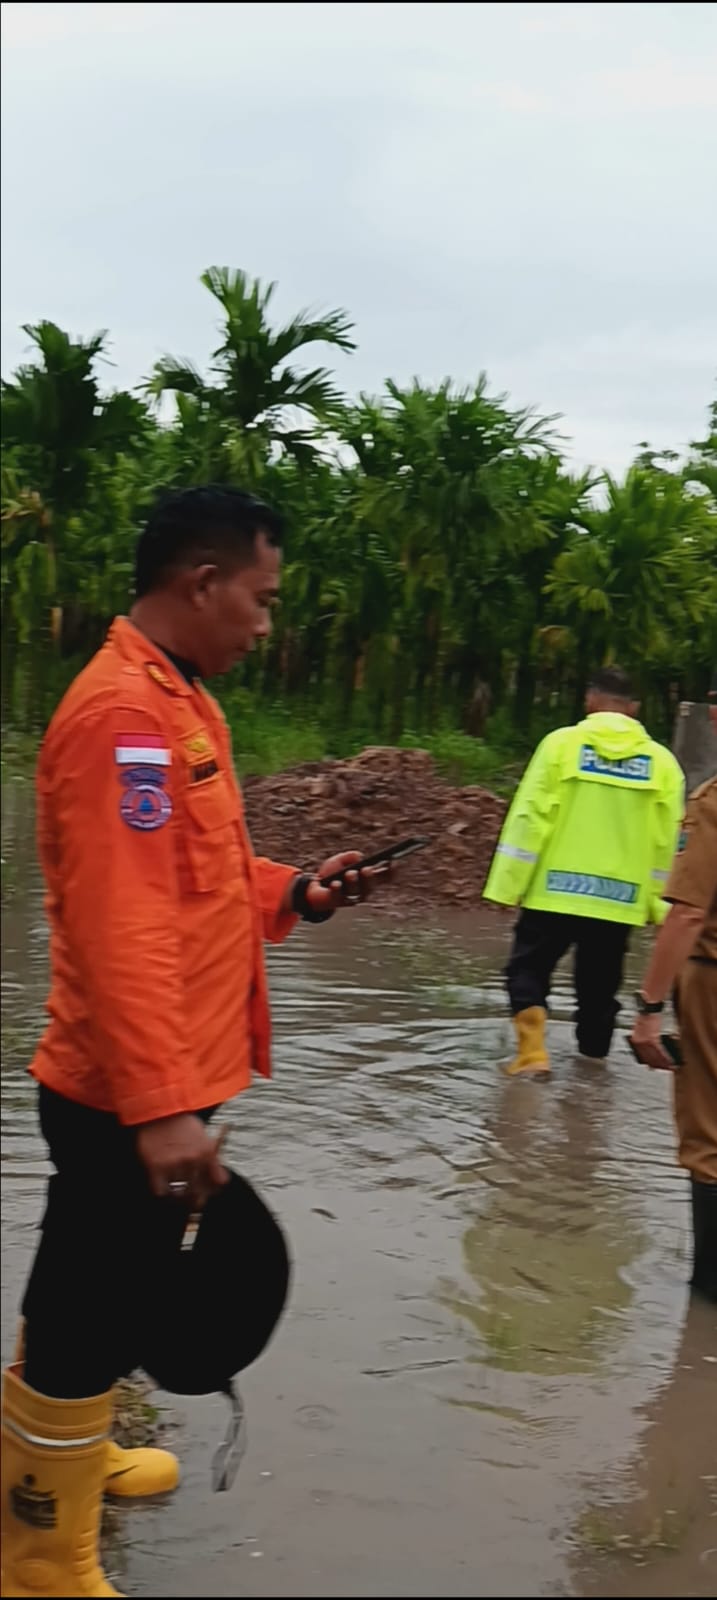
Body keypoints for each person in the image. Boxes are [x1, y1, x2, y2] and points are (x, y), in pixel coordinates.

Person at [1, 486, 392, 1600]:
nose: (266, 623)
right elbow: (121, 928)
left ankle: (56, 1453)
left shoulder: (178, 702)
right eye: (261, 599)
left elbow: (193, 881)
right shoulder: (125, 719)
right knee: (87, 1304)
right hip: (126, 1089)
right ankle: (39, 1557)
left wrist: (297, 891)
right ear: (202, 581)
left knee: (84, 1284)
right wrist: (164, 1105)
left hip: (150, 1079)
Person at [483, 666, 684, 1076]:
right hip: (618, 901)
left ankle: (532, 1055)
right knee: (598, 989)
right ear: (635, 708)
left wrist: (507, 888)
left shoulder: (561, 745)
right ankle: (593, 1066)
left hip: (553, 892)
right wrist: (659, 906)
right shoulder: (662, 764)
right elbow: (668, 841)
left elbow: (529, 818)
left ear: (590, 700)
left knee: (528, 971)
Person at [629, 679, 717, 1303]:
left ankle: (707, 1297)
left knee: (709, 1135)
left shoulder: (714, 804)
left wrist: (649, 1009)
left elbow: (687, 914)